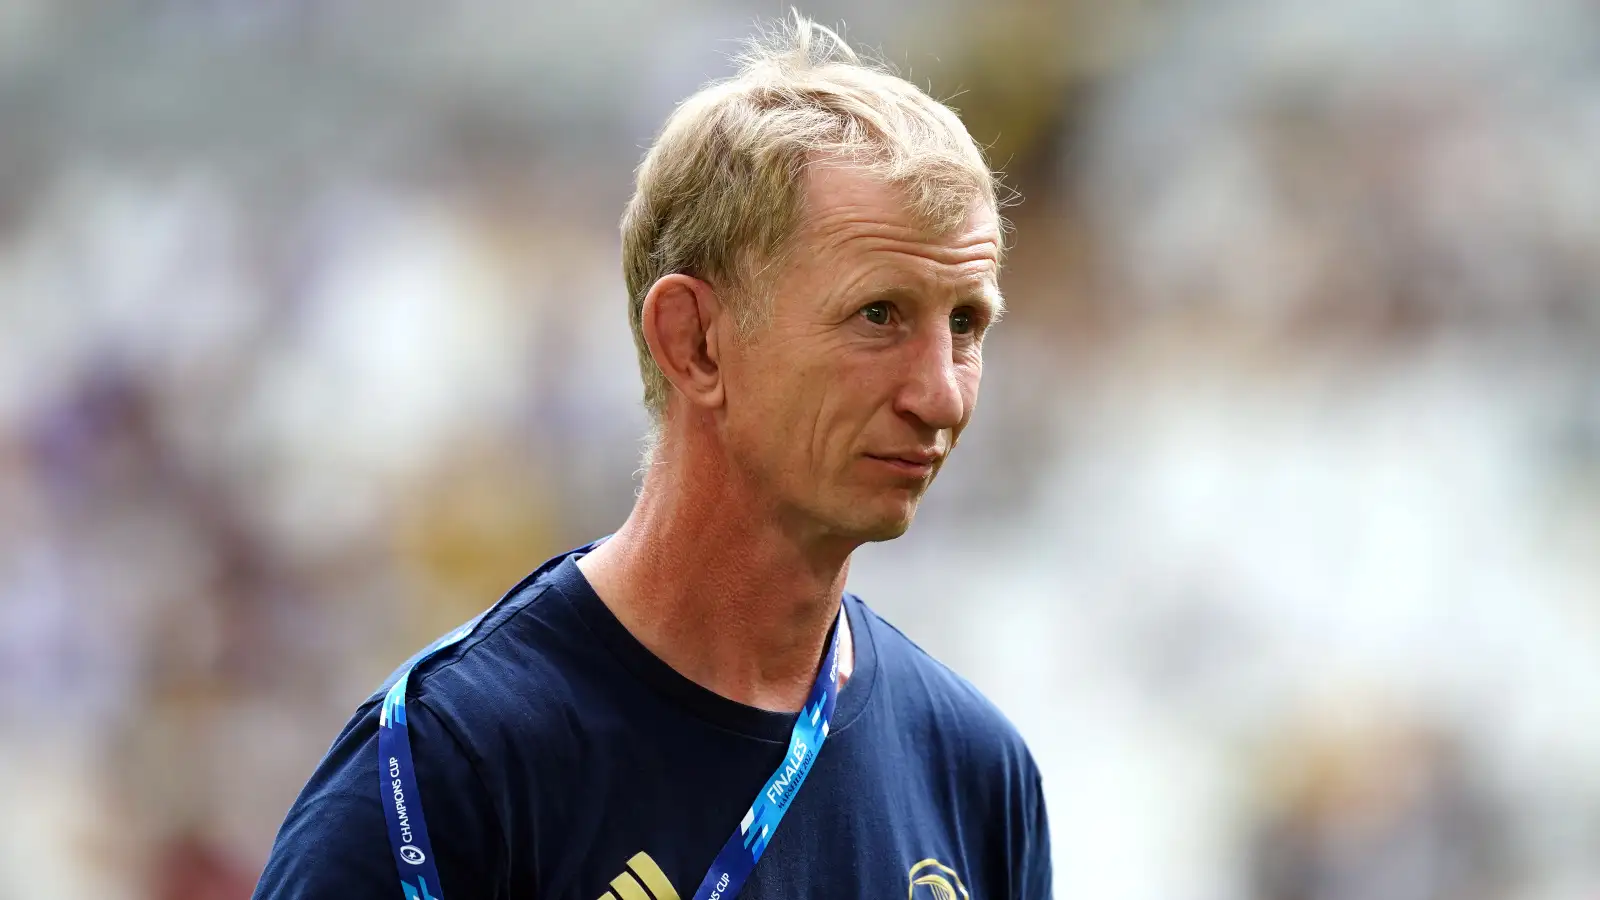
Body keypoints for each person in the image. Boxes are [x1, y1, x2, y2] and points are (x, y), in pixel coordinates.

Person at [254, 14, 1051, 900]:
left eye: (967, 324)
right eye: (878, 316)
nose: (939, 395)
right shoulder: (445, 770)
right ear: (696, 343)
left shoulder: (980, 776)